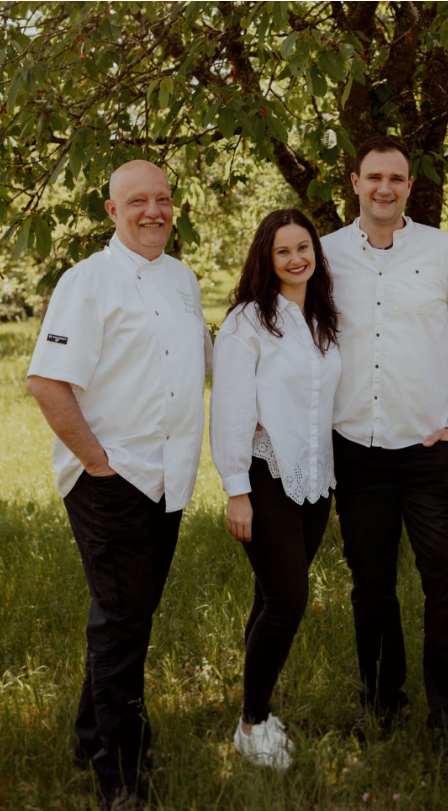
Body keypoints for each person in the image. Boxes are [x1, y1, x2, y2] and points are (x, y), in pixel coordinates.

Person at [27, 160, 212, 810]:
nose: (153, 210)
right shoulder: (88, 282)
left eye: (162, 198)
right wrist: (98, 461)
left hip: (168, 481)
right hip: (112, 480)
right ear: (112, 211)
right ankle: (120, 776)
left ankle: (89, 735)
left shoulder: (184, 280)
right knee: (122, 624)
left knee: (128, 617)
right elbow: (48, 380)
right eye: (137, 200)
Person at [320, 136, 448, 766]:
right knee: (371, 584)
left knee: (446, 582)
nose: (384, 188)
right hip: (356, 449)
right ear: (356, 182)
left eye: (396, 178)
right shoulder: (328, 254)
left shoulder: (442, 252)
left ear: (410, 185)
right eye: (373, 177)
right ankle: (381, 703)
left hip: (429, 448)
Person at [210, 209, 341, 771]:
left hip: (314, 479)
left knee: (270, 597)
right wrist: (236, 488)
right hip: (264, 475)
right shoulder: (247, 322)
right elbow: (232, 409)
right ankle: (251, 724)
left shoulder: (322, 318)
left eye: (304, 247)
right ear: (266, 258)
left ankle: (255, 707)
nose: (296, 258)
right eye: (283, 250)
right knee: (288, 602)